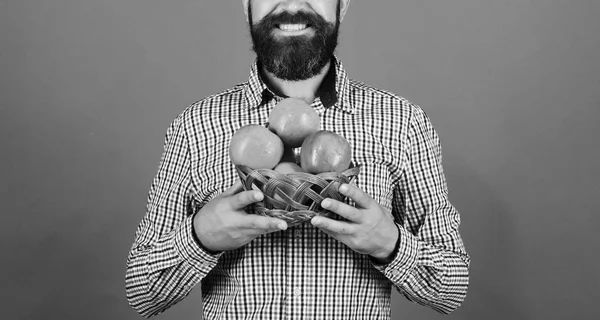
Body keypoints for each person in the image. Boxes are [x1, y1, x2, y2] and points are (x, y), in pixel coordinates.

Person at [125, 0, 470, 319]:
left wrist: (391, 245)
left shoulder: (402, 122)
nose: (291, 4)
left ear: (343, 4)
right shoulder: (195, 126)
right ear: (246, 4)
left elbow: (450, 289)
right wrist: (200, 238)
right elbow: (142, 292)